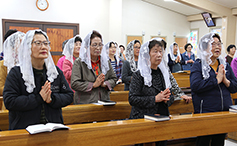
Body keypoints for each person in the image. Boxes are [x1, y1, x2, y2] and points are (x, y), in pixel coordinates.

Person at [3, 30, 74, 130]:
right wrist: (38, 98)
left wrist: (51, 99)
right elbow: (9, 101)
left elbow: (69, 95)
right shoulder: (17, 72)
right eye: (38, 43)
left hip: (53, 128)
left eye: (46, 43)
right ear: (27, 47)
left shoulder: (54, 72)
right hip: (25, 129)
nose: (43, 47)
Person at [129, 38, 191, 146]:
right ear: (147, 54)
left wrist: (167, 99)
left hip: (162, 118)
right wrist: (155, 99)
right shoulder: (139, 75)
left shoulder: (163, 73)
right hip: (143, 119)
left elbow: (170, 96)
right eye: (155, 51)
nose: (159, 54)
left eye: (160, 51)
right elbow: (132, 99)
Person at [190, 33, 237, 146]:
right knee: (204, 142)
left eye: (219, 44)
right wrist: (216, 81)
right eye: (213, 44)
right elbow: (196, 86)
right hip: (206, 112)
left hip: (223, 111)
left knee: (219, 141)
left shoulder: (224, 64)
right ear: (205, 47)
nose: (217, 47)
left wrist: (226, 81)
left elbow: (235, 87)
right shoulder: (198, 65)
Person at [71, 30, 117, 104]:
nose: (98, 48)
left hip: (104, 101)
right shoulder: (79, 62)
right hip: (85, 102)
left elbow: (114, 79)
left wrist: (105, 83)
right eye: (94, 45)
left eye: (100, 45)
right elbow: (74, 83)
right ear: (87, 46)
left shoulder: (105, 61)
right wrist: (93, 85)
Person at [0, 31, 25, 96]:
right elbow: (1, 87)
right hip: (11, 101)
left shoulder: (29, 63)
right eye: (20, 43)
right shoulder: (3, 64)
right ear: (13, 46)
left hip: (28, 102)